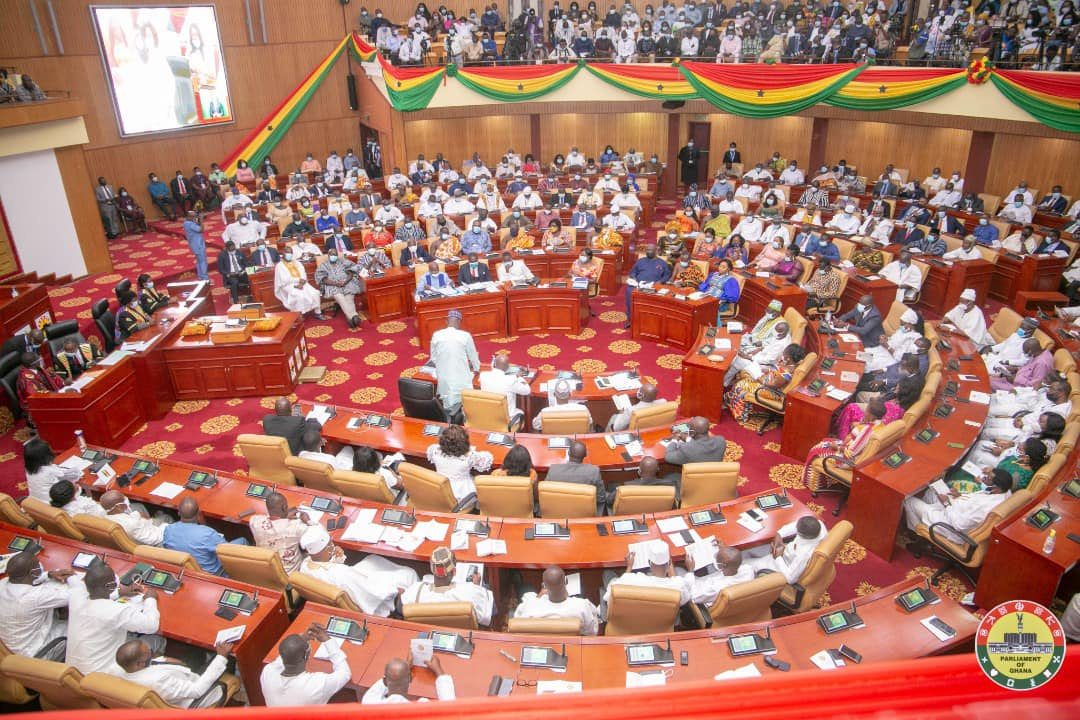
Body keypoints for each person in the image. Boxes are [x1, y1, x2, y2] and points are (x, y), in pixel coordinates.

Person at [66, 559, 165, 675]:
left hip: (71, 672)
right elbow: (151, 625)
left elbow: (72, 579)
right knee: (157, 639)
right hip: (101, 675)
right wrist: (150, 599)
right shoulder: (116, 610)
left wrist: (120, 593)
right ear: (112, 586)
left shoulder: (75, 598)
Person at [297, 525, 418, 616]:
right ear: (327, 547)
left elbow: (324, 570)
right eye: (330, 543)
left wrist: (335, 558)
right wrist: (396, 591)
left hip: (351, 583)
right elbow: (371, 591)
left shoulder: (305, 564)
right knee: (408, 574)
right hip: (366, 595)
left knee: (372, 560)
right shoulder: (342, 573)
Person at [116, 637, 234, 708]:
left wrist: (163, 660)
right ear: (140, 664)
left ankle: (211, 656)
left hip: (180, 679)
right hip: (197, 696)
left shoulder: (123, 669)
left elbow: (151, 664)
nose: (152, 654)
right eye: (149, 654)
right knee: (229, 658)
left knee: (193, 652)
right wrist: (221, 657)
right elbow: (196, 690)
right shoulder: (158, 681)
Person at [0, 550, 73, 662]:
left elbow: (24, 577)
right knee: (78, 627)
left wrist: (48, 574)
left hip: (8, 648)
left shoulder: (3, 583)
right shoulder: (35, 596)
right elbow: (75, 595)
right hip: (33, 654)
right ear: (33, 572)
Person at [802, 397, 887, 492]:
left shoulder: (867, 430)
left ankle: (814, 484)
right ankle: (828, 480)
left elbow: (851, 452)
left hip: (845, 460)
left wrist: (837, 447)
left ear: (872, 416)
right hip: (852, 450)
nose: (864, 412)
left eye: (866, 410)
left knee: (816, 449)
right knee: (826, 441)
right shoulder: (880, 425)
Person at [400, 547, 495, 627]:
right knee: (485, 585)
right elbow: (493, 611)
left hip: (429, 636)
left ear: (432, 569)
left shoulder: (415, 592)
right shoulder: (472, 591)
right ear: (454, 572)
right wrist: (478, 586)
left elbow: (399, 608)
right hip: (465, 637)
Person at [261, 624, 351, 707]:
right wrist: (327, 640)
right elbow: (345, 673)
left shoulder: (267, 672)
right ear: (306, 655)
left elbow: (286, 653)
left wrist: (303, 637)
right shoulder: (316, 684)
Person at [904, 468, 1014, 534]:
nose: (983, 479)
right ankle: (925, 516)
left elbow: (959, 525)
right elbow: (976, 499)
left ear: (996, 487)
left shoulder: (986, 508)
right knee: (931, 492)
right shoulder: (1004, 491)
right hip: (957, 508)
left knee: (909, 501)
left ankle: (917, 533)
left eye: (987, 479)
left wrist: (946, 504)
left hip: (952, 525)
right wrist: (960, 496)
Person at [726, 344, 806, 427]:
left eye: (784, 354)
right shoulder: (788, 364)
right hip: (767, 381)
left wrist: (760, 380)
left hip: (770, 391)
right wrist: (764, 371)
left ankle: (740, 415)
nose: (782, 354)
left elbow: (774, 386)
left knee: (740, 385)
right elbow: (775, 372)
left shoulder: (786, 373)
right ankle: (730, 400)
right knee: (745, 379)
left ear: (788, 358)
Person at [163, 497, 247, 575]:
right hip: (213, 573)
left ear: (178, 512)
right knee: (242, 540)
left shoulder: (168, 530)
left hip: (186, 571)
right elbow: (226, 551)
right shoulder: (207, 534)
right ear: (198, 513)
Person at [602, 542, 689, 617]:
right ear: (669, 562)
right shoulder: (679, 587)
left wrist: (629, 567)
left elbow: (609, 595)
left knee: (608, 574)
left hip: (630, 625)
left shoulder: (632, 580)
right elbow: (684, 598)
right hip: (660, 628)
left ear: (649, 563)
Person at [514, 565, 600, 635]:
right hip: (570, 645)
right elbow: (592, 631)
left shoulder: (529, 605)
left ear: (544, 585)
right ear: (566, 581)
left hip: (540, 643)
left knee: (526, 588)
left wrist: (539, 597)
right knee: (581, 588)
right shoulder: (582, 606)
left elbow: (517, 623)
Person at [744, 516, 828, 583]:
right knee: (746, 550)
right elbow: (795, 526)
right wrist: (779, 534)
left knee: (744, 563)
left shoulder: (804, 554)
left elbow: (790, 578)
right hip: (785, 551)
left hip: (783, 565)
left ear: (800, 534)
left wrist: (778, 557)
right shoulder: (819, 526)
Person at [249, 492, 314, 574]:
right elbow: (315, 533)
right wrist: (308, 521)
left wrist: (283, 516)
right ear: (284, 507)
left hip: (267, 570)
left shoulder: (255, 521)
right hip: (289, 574)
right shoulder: (295, 526)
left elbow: (268, 518)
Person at [426, 424, 493, 503]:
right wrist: (469, 452)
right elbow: (487, 460)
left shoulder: (434, 451)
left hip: (439, 490)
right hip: (461, 496)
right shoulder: (469, 457)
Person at [362, 655, 457, 704]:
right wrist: (439, 671)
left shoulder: (369, 703)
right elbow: (449, 709)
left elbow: (374, 692)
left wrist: (403, 669)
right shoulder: (421, 708)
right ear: (410, 679)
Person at [546, 440, 606, 515]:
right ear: (585, 454)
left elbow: (546, 496)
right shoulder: (594, 471)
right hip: (584, 513)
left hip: (558, 512)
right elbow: (601, 498)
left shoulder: (553, 470)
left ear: (568, 453)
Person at [724, 320, 791, 387]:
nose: (775, 331)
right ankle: (727, 379)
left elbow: (769, 360)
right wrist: (758, 350)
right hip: (760, 356)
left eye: (778, 330)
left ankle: (724, 382)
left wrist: (750, 357)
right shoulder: (781, 335)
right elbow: (769, 345)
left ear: (782, 333)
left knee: (739, 361)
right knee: (737, 353)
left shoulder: (781, 345)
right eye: (775, 329)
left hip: (764, 365)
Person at [314, 249, 363, 329]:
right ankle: (353, 316)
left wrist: (345, 281)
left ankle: (350, 319)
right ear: (328, 255)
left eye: (335, 254)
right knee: (341, 298)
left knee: (349, 298)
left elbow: (351, 273)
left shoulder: (343, 261)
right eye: (331, 254)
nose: (333, 256)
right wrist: (336, 284)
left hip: (346, 283)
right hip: (332, 285)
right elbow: (323, 279)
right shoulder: (324, 265)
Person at [625, 245, 672, 327]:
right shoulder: (640, 261)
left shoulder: (662, 263)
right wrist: (634, 277)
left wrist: (660, 282)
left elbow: (667, 275)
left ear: (656, 251)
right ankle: (631, 318)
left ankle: (651, 320)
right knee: (629, 291)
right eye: (647, 250)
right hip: (639, 285)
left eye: (651, 250)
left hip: (654, 286)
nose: (649, 251)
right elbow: (633, 272)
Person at [24, 436, 81, 502]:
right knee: (78, 488)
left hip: (36, 502)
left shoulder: (28, 469)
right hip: (55, 502)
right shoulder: (50, 471)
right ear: (46, 455)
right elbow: (74, 476)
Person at [478, 354, 531, 426]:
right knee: (521, 412)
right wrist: (519, 377)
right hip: (507, 420)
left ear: (494, 364)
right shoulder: (510, 380)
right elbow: (527, 390)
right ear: (507, 367)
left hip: (488, 416)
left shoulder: (483, 375)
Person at [100, 490, 166, 546]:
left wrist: (138, 515)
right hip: (153, 538)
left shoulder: (103, 518)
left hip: (141, 526)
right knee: (167, 517)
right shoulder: (132, 524)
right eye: (124, 500)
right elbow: (155, 538)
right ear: (118, 507)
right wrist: (167, 527)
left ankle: (158, 514)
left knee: (140, 506)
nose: (126, 501)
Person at [274, 248, 323, 318]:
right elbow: (284, 280)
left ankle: (318, 313)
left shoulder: (297, 263)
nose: (289, 255)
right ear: (283, 254)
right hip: (288, 285)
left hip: (302, 283)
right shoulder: (279, 266)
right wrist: (297, 282)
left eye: (291, 253)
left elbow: (303, 274)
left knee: (315, 293)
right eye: (287, 253)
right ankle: (299, 315)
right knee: (298, 295)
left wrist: (301, 282)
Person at [216, 240, 248, 304]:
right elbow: (220, 269)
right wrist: (228, 273)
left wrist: (244, 270)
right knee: (234, 282)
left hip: (241, 272)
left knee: (251, 279)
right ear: (226, 248)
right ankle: (236, 301)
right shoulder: (222, 255)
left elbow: (246, 263)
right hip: (231, 275)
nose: (232, 249)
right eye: (230, 248)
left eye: (233, 247)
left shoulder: (240, 252)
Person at [182, 211, 209, 282]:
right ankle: (205, 278)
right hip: (198, 245)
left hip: (194, 244)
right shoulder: (190, 224)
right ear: (189, 217)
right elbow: (201, 230)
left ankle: (200, 276)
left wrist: (198, 221)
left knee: (199, 261)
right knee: (203, 261)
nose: (195, 217)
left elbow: (197, 225)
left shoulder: (186, 223)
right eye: (194, 216)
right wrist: (202, 220)